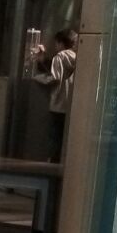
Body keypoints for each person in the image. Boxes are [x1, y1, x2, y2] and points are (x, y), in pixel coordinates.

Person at [33, 28, 77, 163]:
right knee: (64, 137)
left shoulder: (60, 57)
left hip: (58, 103)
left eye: (56, 43)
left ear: (60, 43)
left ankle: (52, 163)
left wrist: (38, 77)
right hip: (70, 104)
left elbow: (55, 77)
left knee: (55, 136)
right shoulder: (76, 57)